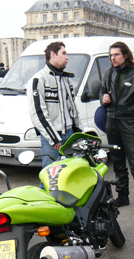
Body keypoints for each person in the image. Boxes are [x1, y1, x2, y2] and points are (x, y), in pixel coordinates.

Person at [99, 41, 134, 218]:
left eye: (116, 55)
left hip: (131, 123)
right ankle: (122, 196)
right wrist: (103, 98)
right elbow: (101, 92)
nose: (112, 58)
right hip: (112, 122)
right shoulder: (109, 72)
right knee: (117, 162)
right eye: (110, 55)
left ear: (125, 55)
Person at [27, 41, 82, 175]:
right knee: (50, 176)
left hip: (70, 135)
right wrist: (54, 138)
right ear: (53, 54)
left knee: (70, 174)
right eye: (63, 53)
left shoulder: (66, 79)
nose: (67, 57)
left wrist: (78, 131)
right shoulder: (39, 79)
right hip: (53, 138)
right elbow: (38, 113)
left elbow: (73, 108)